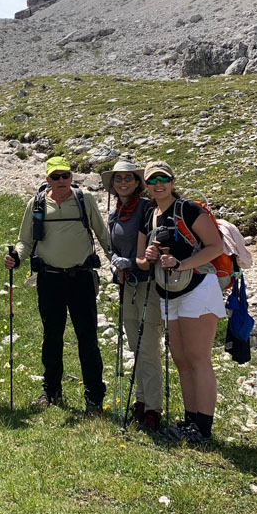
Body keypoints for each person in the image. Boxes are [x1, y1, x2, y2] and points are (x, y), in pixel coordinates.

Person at [4, 156, 110, 413]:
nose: (61, 180)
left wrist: (117, 263)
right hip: (49, 279)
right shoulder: (36, 203)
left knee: (87, 337)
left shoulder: (84, 200)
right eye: (56, 176)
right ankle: (51, 392)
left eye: (65, 175)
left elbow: (102, 233)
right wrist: (17, 258)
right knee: (52, 336)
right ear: (47, 178)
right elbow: (25, 241)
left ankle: (94, 397)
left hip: (82, 277)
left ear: (71, 177)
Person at [136, 161, 225, 445]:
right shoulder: (149, 214)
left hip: (198, 287)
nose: (158, 184)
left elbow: (215, 247)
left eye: (164, 179)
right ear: (147, 186)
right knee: (181, 359)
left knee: (198, 358)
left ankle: (204, 428)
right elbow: (140, 260)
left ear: (173, 182)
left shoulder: (189, 210)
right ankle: (190, 422)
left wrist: (183, 263)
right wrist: (148, 258)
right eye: (152, 180)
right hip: (169, 291)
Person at [101, 160, 162, 431]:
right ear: (113, 184)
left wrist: (130, 262)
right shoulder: (117, 211)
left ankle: (152, 409)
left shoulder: (147, 209)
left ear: (137, 182)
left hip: (148, 286)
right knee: (136, 346)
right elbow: (114, 247)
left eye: (128, 178)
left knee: (147, 348)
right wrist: (116, 261)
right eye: (118, 179)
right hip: (128, 285)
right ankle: (141, 400)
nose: (123, 182)